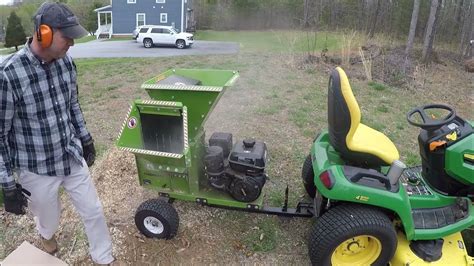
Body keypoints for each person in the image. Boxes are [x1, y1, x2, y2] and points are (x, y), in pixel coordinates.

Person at [0, 2, 115, 265]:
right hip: (36, 167)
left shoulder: (67, 64)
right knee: (49, 219)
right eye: (68, 37)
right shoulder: (9, 75)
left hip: (70, 154)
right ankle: (46, 235)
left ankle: (104, 258)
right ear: (44, 33)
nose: (72, 44)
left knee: (94, 211)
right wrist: (7, 184)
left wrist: (85, 137)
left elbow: (72, 104)